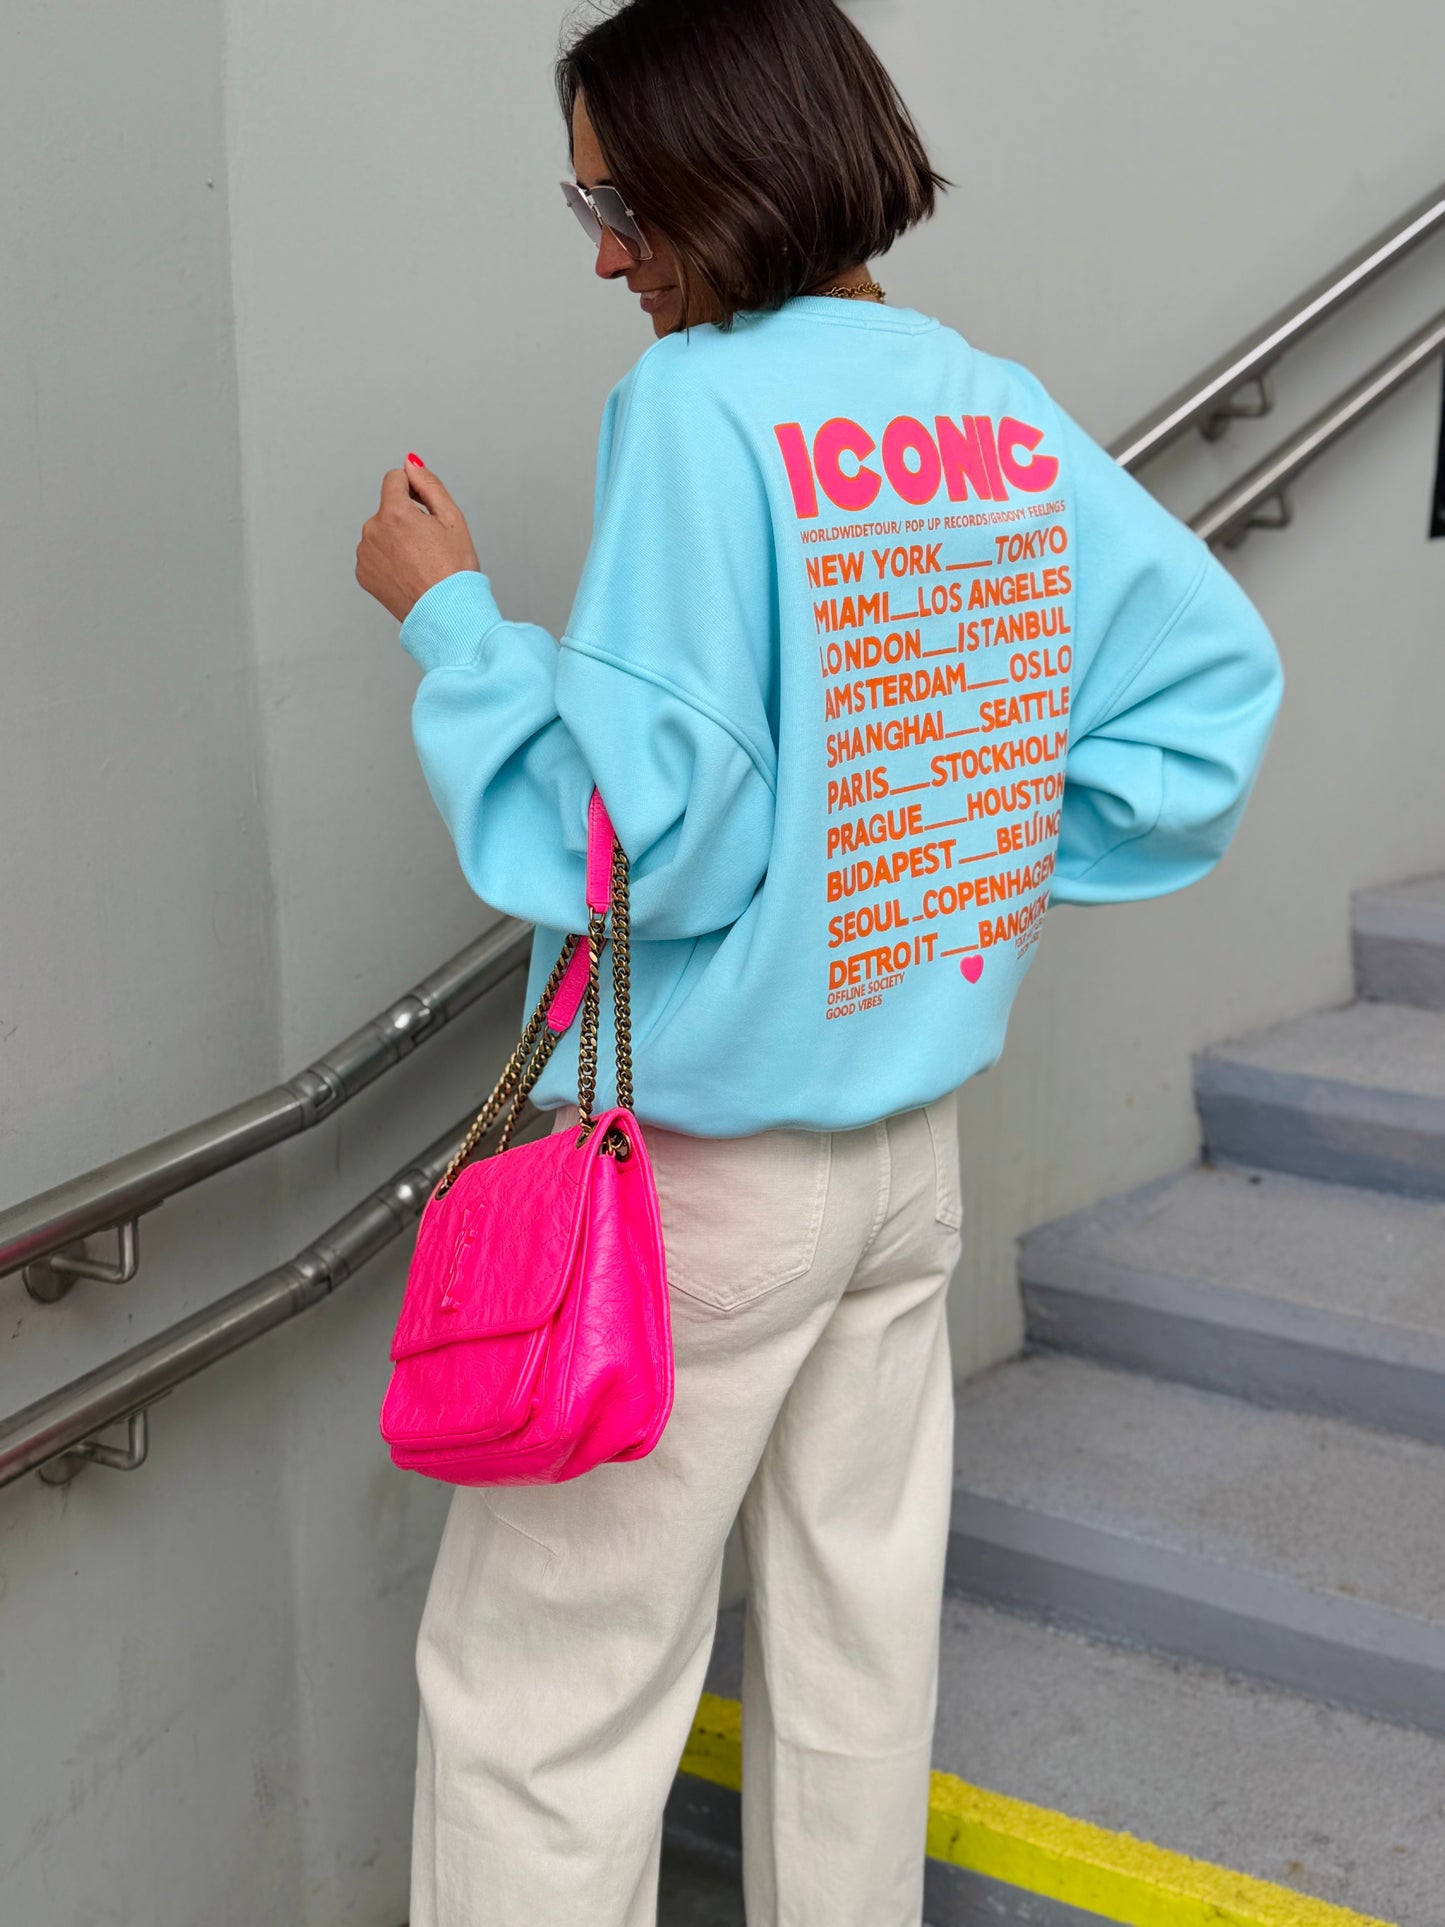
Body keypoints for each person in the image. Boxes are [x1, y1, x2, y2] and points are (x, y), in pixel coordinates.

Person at [354, 2, 1284, 1921]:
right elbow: (1203, 705)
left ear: (733, 171)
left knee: (540, 1709)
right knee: (857, 1664)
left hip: (700, 1187)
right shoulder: (988, 407)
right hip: (901, 1167)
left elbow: (652, 845)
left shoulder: (697, 409)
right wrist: (935, 850)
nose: (605, 254)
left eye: (618, 203)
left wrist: (455, 629)